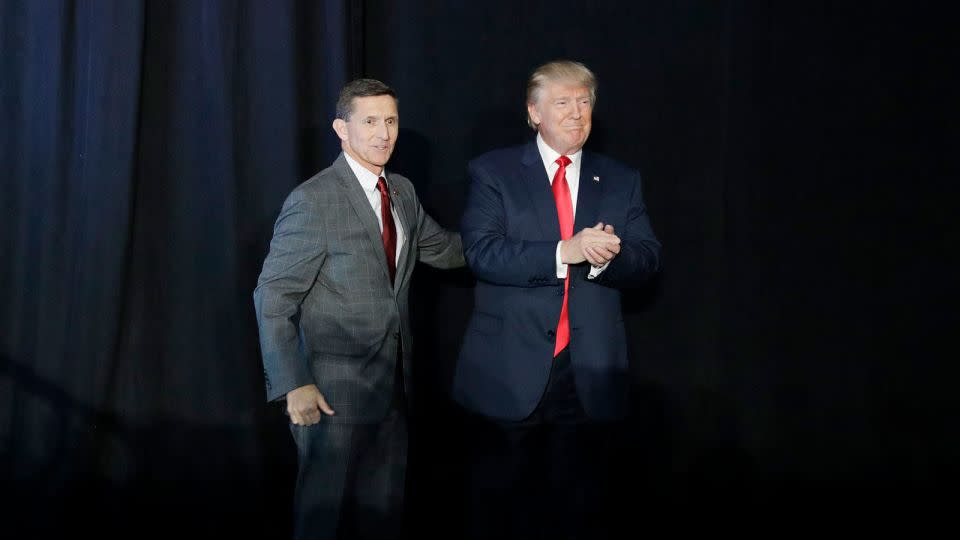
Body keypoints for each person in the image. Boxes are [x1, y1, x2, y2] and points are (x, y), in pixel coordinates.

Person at [453, 60, 662, 539]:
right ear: (533, 113)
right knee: (500, 509)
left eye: (584, 102)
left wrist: (607, 257)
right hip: (507, 369)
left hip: (587, 372)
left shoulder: (620, 178)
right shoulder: (493, 172)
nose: (575, 113)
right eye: (562, 102)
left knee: (577, 508)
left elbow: (648, 258)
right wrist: (563, 251)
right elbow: (482, 253)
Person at [254, 78, 464, 540]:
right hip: (329, 394)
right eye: (369, 121)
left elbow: (447, 250)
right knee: (321, 520)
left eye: (390, 121)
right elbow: (273, 297)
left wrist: (542, 246)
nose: (382, 133)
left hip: (393, 386)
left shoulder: (403, 191)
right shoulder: (313, 200)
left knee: (383, 517)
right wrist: (295, 384)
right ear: (341, 129)